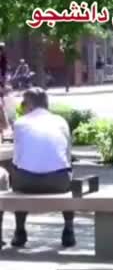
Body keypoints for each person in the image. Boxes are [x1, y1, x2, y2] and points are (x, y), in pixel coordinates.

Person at [2, 88, 75, 248]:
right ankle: (69, 228)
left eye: (23, 104)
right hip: (58, 183)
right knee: (68, 171)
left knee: (16, 172)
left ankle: (20, 230)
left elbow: (17, 157)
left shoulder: (20, 123)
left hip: (26, 183)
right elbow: (68, 155)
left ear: (29, 105)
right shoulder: (61, 121)